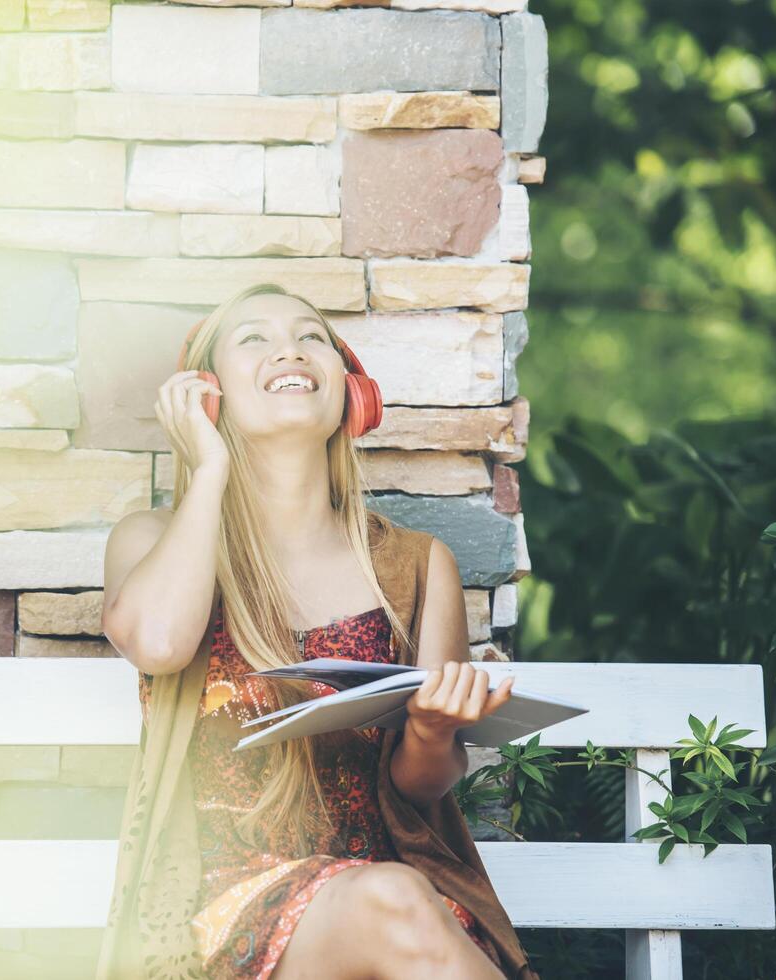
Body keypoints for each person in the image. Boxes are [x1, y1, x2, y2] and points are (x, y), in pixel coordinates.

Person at [97, 282, 537, 980]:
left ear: (351, 394)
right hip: (218, 915)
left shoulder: (416, 566)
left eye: (310, 336)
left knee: (394, 897)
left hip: (394, 905)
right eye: (253, 339)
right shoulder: (151, 541)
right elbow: (157, 644)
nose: (289, 350)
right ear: (204, 395)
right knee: (390, 900)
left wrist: (429, 731)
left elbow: (422, 788)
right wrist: (207, 466)